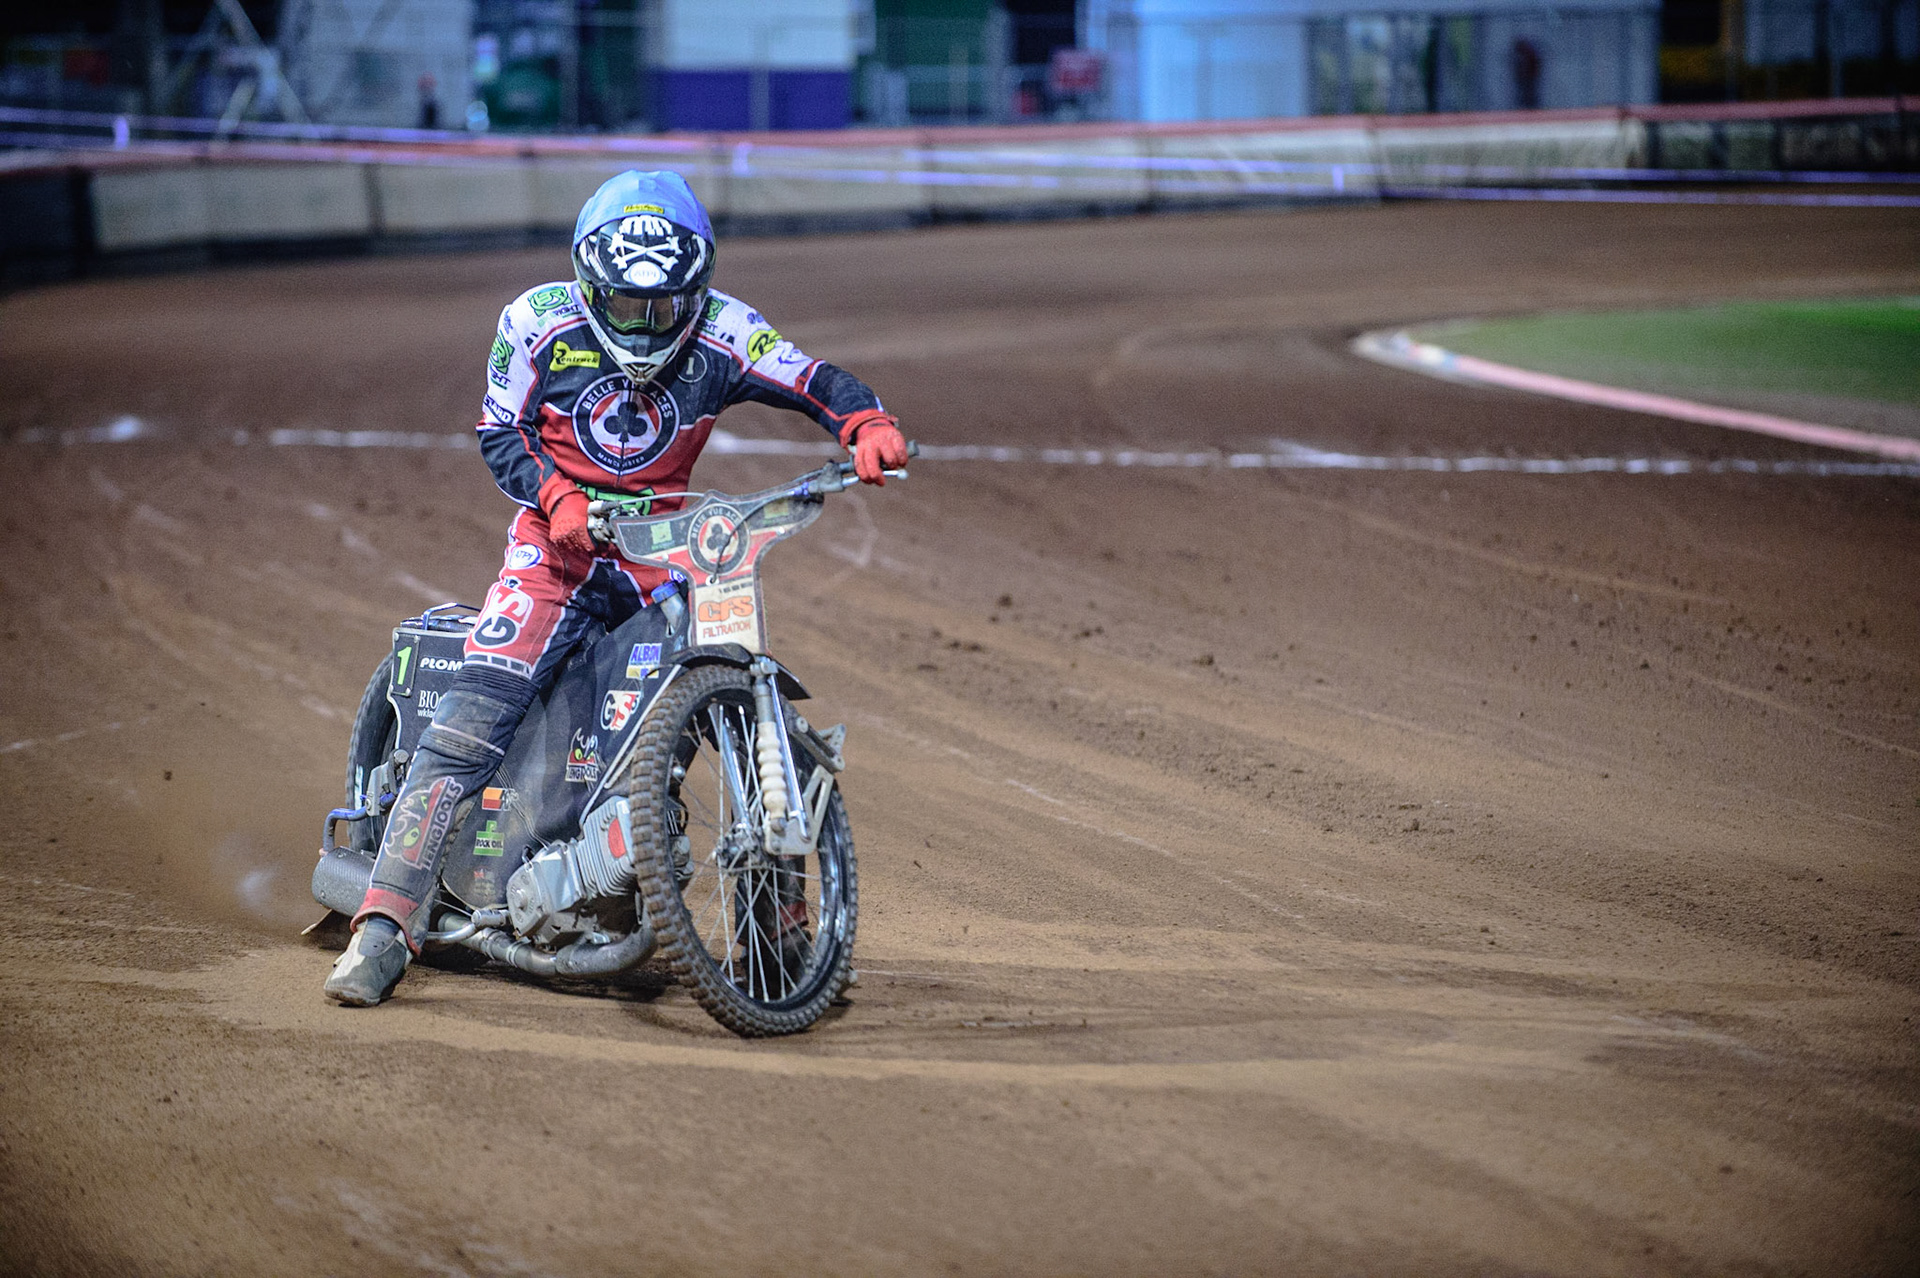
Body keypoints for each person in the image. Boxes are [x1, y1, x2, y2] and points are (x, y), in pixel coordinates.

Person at [325, 169, 908, 1006]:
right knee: (472, 719)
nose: (644, 323)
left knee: (743, 700)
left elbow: (810, 376)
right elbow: (499, 432)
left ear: (695, 289)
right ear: (589, 282)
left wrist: (864, 421)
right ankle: (382, 926)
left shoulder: (724, 328)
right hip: (553, 553)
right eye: (626, 306)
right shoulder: (533, 323)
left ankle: (775, 926)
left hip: (664, 559)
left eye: (663, 306)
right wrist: (558, 497)